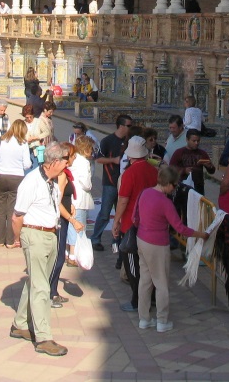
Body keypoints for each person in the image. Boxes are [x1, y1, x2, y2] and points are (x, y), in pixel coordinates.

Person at [8, 142, 74, 357]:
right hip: (34, 234)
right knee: (41, 288)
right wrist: (18, 238)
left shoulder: (52, 180)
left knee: (37, 282)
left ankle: (20, 324)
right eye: (66, 160)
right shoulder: (32, 182)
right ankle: (44, 337)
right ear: (55, 162)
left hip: (49, 233)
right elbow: (17, 215)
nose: (68, 164)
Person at [136, 166, 210, 332]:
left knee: (145, 280)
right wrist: (200, 234)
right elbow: (180, 228)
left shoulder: (145, 193)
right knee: (161, 282)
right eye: (175, 185)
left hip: (142, 239)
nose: (175, 188)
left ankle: (144, 319)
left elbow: (138, 215)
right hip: (157, 244)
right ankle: (162, 320)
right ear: (168, 184)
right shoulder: (165, 202)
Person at [112, 136, 159, 312]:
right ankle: (151, 297)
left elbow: (123, 201)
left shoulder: (129, 173)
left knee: (133, 265)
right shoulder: (153, 171)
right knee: (148, 266)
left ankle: (137, 300)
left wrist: (116, 221)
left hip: (131, 225)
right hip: (151, 224)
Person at [0, 118, 32, 247]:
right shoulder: (23, 143)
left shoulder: (1, 140)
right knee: (12, 209)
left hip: (1, 176)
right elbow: (27, 164)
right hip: (16, 178)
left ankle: (0, 240)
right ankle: (10, 240)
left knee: (0, 208)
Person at [48, 149, 82, 309]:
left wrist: (71, 206)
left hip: (64, 216)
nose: (74, 158)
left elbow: (64, 197)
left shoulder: (64, 174)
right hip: (60, 220)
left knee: (59, 256)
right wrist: (71, 219)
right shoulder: (61, 175)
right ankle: (50, 292)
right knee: (58, 257)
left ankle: (53, 291)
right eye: (72, 156)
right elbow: (57, 200)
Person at [92, 114, 133, 250]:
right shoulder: (107, 141)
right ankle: (96, 239)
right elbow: (98, 159)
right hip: (110, 183)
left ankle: (116, 241)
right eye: (128, 126)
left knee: (121, 214)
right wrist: (113, 160)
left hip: (125, 184)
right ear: (121, 126)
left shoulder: (130, 142)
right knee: (105, 213)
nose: (130, 128)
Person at [66, 135, 95, 266]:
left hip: (71, 197)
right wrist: (90, 185)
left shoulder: (74, 159)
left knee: (71, 226)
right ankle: (73, 255)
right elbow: (86, 182)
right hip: (80, 197)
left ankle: (68, 253)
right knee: (78, 227)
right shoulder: (83, 162)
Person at [169, 129, 210, 194]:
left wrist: (209, 166)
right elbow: (170, 169)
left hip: (198, 189)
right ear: (187, 140)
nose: (196, 143)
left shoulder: (202, 153)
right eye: (194, 141)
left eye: (198, 141)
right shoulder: (179, 152)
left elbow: (212, 171)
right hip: (182, 188)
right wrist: (184, 170)